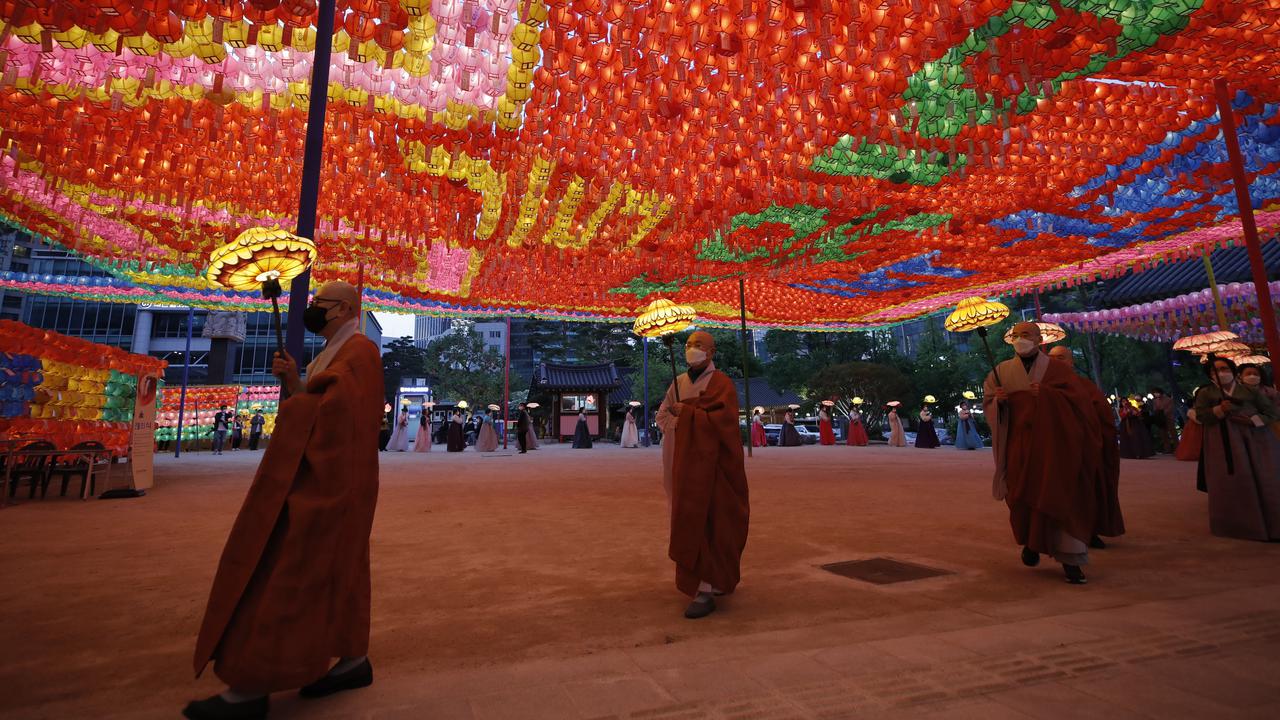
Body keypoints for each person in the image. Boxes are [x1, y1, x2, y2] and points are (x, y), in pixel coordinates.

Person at [185, 280, 382, 720]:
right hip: (322, 477)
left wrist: (300, 398)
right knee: (340, 568)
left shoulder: (361, 352)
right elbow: (319, 403)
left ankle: (252, 685)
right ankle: (352, 659)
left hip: (334, 483)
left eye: (320, 305)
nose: (313, 310)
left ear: (345, 309)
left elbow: (344, 415)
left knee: (292, 572)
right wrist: (296, 381)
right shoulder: (333, 353)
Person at [984, 321, 1109, 585]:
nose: (1021, 339)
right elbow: (990, 407)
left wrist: (1050, 396)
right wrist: (999, 402)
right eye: (1016, 335)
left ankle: (1072, 561)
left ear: (1039, 339)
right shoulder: (1001, 372)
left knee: (1062, 497)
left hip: (1055, 447)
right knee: (1022, 497)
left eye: (1026, 334)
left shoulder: (1058, 371)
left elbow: (1081, 406)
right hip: (1020, 447)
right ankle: (1032, 542)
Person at [656, 331, 750, 619]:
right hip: (683, 463)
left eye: (698, 345)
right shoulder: (678, 383)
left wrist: (689, 414)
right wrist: (681, 418)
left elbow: (725, 423)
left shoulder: (722, 383)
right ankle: (702, 583)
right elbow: (663, 417)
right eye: (688, 345)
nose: (692, 350)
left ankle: (708, 587)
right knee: (688, 518)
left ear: (712, 352)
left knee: (714, 521)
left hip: (713, 467)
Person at [1193, 356, 1279, 541]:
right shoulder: (1206, 393)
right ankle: (1237, 525)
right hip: (1221, 439)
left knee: (1265, 476)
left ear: (1233, 371)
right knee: (1230, 479)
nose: (1222, 373)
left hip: (1255, 437)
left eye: (1225, 368)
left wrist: (1253, 421)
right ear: (1210, 375)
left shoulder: (1249, 391)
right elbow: (1201, 416)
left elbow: (1271, 412)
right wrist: (1219, 410)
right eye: (1217, 370)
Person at [1048, 345, 1124, 549]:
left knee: (1088, 491)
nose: (1056, 361)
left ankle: (1090, 530)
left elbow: (1101, 419)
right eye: (1051, 358)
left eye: (1061, 357)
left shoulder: (1085, 386)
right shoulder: (1041, 386)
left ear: (1071, 362)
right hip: (1055, 452)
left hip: (1085, 449)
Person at [1146, 388, 1177, 454]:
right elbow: (1155, 409)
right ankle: (1167, 449)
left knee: (1173, 433)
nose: (1155, 394)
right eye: (1154, 393)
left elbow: (1170, 409)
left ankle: (1177, 448)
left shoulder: (1168, 399)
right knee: (1163, 434)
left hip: (1168, 418)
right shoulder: (1155, 401)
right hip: (1160, 419)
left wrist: (1162, 412)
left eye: (1156, 392)